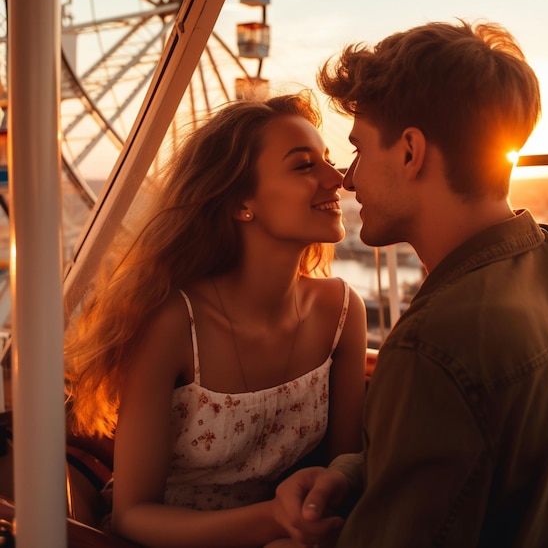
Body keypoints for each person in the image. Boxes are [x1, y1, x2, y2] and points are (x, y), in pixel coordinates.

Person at [272, 20, 548, 547]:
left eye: (360, 149)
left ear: (411, 152)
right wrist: (354, 475)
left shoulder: (431, 348)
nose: (348, 177)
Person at [64, 91, 367, 547]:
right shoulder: (172, 325)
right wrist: (277, 520)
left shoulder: (341, 312)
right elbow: (133, 516)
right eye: (305, 165)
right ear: (240, 202)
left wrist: (305, 517)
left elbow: (341, 471)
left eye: (327, 160)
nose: (337, 177)